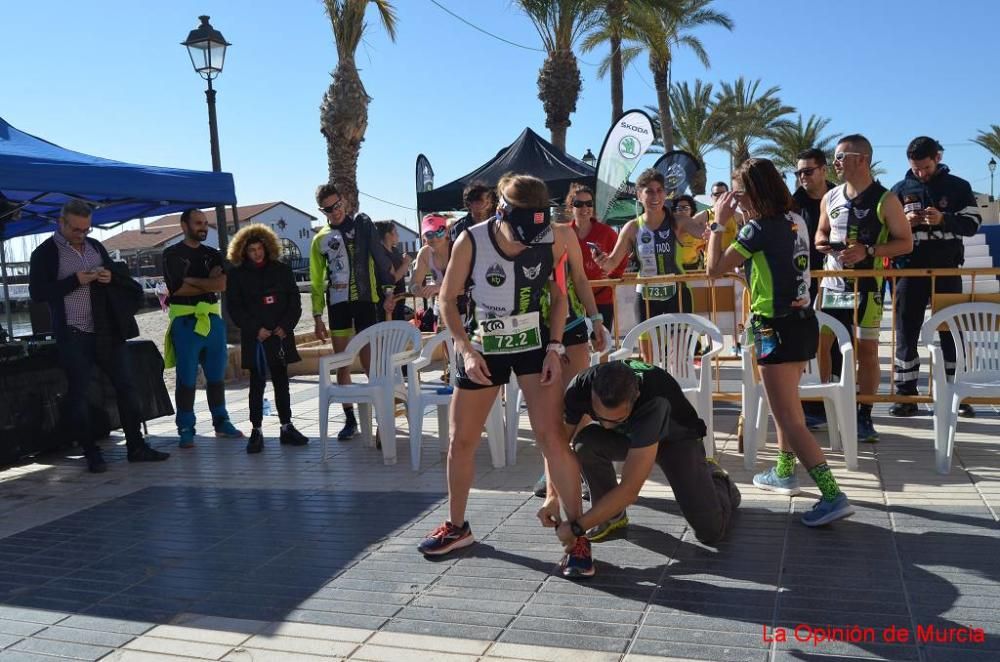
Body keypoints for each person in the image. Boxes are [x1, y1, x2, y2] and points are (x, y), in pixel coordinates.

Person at [417, 174, 595, 578]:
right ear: (501, 210)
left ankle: (578, 536)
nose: (527, 240)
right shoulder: (472, 239)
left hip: (534, 346)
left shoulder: (557, 236)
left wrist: (554, 346)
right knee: (461, 439)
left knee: (552, 437)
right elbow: (446, 298)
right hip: (484, 349)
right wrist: (463, 348)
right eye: (520, 231)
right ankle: (458, 527)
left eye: (536, 229)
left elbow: (560, 294)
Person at [707, 157, 854, 527]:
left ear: (755, 192)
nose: (736, 200)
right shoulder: (795, 220)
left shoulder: (756, 229)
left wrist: (717, 223)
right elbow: (771, 263)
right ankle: (784, 471)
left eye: (740, 193)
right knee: (788, 409)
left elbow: (713, 270)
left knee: (788, 418)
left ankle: (832, 494)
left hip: (775, 327)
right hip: (803, 324)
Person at [29, 200, 169, 472]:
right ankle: (91, 452)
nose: (82, 234)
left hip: (107, 330)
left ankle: (136, 447)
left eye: (87, 229)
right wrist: (75, 281)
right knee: (80, 393)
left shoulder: (96, 247)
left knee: (127, 387)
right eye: (77, 229)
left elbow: (115, 278)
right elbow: (38, 293)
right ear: (62, 223)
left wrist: (108, 277)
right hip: (73, 334)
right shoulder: (45, 253)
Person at [557, 360, 740, 550]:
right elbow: (557, 448)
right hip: (630, 436)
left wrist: (577, 527)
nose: (607, 426)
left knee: (710, 532)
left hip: (676, 441)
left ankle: (718, 480)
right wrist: (552, 499)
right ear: (592, 391)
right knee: (585, 443)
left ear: (635, 396)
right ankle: (612, 517)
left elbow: (630, 490)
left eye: (618, 418)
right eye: (600, 416)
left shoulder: (654, 399)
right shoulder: (579, 386)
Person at [815, 135, 913, 443]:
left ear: (863, 159)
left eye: (842, 157)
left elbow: (905, 242)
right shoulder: (830, 197)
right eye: (836, 157)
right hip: (833, 286)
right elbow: (821, 230)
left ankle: (864, 415)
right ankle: (829, 403)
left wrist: (869, 251)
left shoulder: (886, 199)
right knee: (824, 345)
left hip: (868, 289)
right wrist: (822, 243)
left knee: (867, 351)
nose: (836, 163)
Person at [890, 137, 981, 418]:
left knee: (952, 332)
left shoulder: (958, 187)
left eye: (926, 167)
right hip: (909, 272)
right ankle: (905, 395)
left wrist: (944, 219)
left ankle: (958, 394)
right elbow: (885, 231)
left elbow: (973, 224)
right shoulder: (899, 190)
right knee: (906, 332)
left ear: (938, 158)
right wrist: (906, 223)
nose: (921, 173)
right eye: (915, 168)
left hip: (946, 271)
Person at [309, 183, 394, 441]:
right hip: (338, 304)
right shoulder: (320, 238)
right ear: (321, 211)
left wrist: (388, 289)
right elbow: (316, 279)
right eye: (327, 209)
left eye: (337, 206)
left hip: (366, 300)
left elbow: (380, 258)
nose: (334, 212)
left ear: (344, 202)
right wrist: (316, 316)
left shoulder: (362, 226)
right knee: (342, 360)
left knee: (371, 362)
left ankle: (382, 419)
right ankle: (349, 418)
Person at [595, 169, 704, 361]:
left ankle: (677, 390)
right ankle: (654, 390)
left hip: (676, 292)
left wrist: (714, 227)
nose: (655, 196)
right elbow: (611, 264)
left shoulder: (677, 221)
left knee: (680, 358)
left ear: (665, 193)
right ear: (639, 195)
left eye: (659, 190)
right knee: (649, 359)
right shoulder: (632, 227)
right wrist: (601, 260)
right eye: (649, 191)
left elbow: (703, 233)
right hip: (646, 296)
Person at [163, 209, 245, 448]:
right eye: (198, 223)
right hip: (186, 322)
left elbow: (222, 284)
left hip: (212, 321)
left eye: (205, 223)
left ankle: (221, 422)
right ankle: (186, 427)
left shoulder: (213, 254)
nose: (203, 227)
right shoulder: (172, 254)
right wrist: (206, 283)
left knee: (216, 376)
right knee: (187, 377)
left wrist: (192, 280)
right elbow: (176, 289)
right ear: (183, 225)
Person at [225, 224, 309, 454]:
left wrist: (285, 326)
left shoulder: (281, 270)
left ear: (266, 247)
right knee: (256, 384)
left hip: (280, 335)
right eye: (251, 250)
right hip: (256, 338)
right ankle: (256, 430)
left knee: (282, 382)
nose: (256, 253)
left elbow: (295, 301)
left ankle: (286, 426)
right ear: (243, 251)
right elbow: (235, 309)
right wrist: (255, 329)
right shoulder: (237, 275)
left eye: (259, 248)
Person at [792, 148, 838, 430]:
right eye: (798, 173)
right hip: (804, 282)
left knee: (838, 343)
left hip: (839, 280)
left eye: (808, 171)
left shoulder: (841, 196)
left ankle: (841, 403)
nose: (802, 177)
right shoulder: (792, 202)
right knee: (810, 343)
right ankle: (810, 405)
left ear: (823, 170)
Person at [564, 183, 623, 332]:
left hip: (601, 298)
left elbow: (622, 257)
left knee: (601, 346)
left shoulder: (606, 232)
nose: (585, 208)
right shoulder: (563, 233)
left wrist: (612, 275)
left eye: (589, 204)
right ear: (571, 207)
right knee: (574, 348)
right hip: (572, 300)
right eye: (579, 204)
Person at [374, 221, 412, 322]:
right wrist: (406, 263)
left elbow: (401, 274)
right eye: (395, 232)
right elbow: (392, 279)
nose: (398, 235)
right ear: (388, 235)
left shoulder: (395, 251)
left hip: (399, 301)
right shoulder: (381, 254)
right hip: (387, 303)